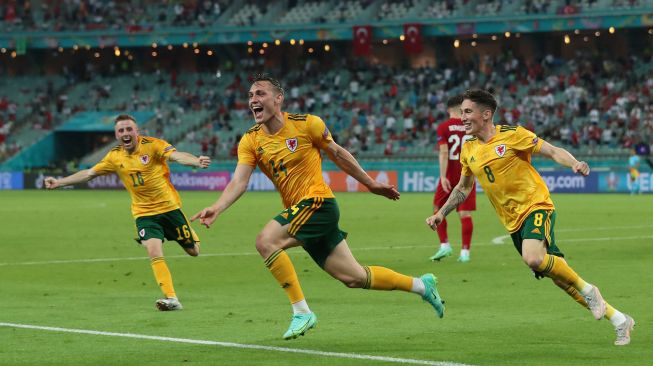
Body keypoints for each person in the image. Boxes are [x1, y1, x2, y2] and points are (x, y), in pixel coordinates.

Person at [192, 74, 444, 340]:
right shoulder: (250, 141)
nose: (253, 99)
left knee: (266, 241)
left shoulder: (307, 124)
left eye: (260, 94)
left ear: (279, 99)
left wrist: (370, 184)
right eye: (250, 96)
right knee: (355, 277)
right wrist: (218, 207)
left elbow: (338, 153)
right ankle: (421, 286)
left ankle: (301, 312)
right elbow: (239, 181)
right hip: (302, 213)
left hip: (318, 203)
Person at [426, 89, 634, 346]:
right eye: (461, 112)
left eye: (468, 112)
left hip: (536, 205)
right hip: (512, 222)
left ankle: (591, 290)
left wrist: (574, 163)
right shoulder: (468, 148)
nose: (462, 117)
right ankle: (620, 320)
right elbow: (463, 188)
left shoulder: (513, 135)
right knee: (560, 278)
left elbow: (552, 150)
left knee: (534, 257)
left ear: (486, 114)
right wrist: (441, 213)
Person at [45, 114, 211, 311]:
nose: (125, 133)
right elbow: (89, 174)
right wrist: (59, 182)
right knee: (153, 250)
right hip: (143, 214)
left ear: (137, 131)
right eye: (121, 130)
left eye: (129, 129)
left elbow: (177, 156)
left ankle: (189, 235)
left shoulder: (153, 145)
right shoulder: (114, 157)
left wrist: (195, 161)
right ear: (116, 135)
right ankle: (172, 298)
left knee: (194, 251)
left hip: (169, 209)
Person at [430, 95, 475, 263]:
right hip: (468, 173)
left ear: (449, 109)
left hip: (449, 174)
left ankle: (445, 245)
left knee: (438, 208)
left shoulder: (443, 127)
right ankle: (465, 252)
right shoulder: (470, 127)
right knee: (465, 213)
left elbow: (443, 152)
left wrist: (442, 176)